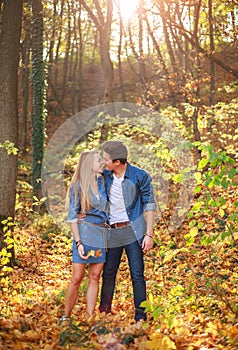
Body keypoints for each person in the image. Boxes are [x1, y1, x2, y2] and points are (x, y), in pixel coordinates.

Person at [99, 140, 156, 322]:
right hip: (112, 232)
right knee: (109, 272)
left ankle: (141, 316)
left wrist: (149, 234)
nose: (103, 161)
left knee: (137, 274)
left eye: (106, 158)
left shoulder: (139, 176)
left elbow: (150, 204)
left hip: (133, 231)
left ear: (117, 162)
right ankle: (104, 313)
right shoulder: (104, 176)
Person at [61, 150, 109, 320]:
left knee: (95, 276)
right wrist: (78, 242)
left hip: (100, 234)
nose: (102, 163)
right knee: (77, 277)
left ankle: (90, 316)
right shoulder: (78, 185)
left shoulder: (102, 181)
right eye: (98, 160)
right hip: (84, 234)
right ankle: (66, 316)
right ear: (89, 165)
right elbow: (73, 217)